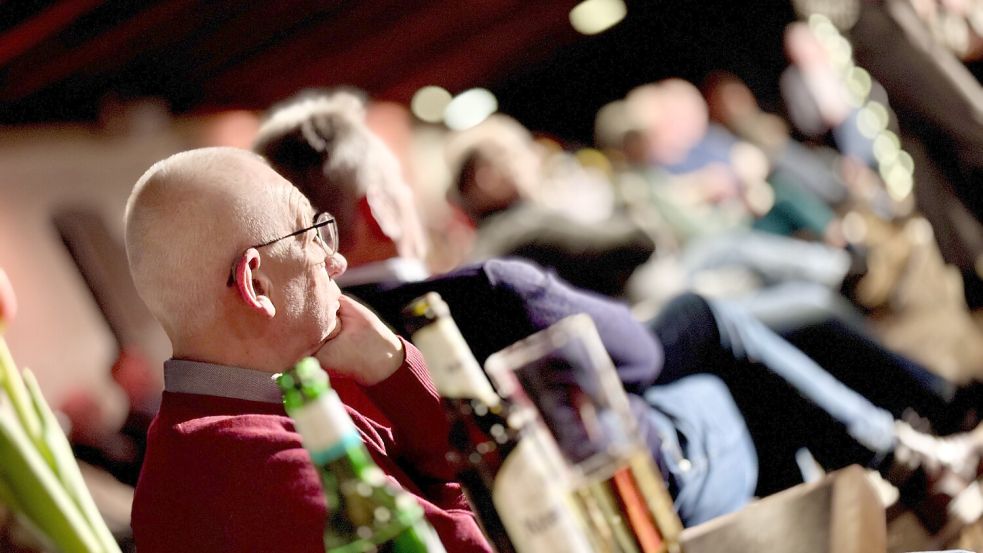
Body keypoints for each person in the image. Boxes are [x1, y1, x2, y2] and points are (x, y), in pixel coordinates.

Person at [254, 89, 983, 533]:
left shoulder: (296, 375)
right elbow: (636, 351)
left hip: (530, 515)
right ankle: (909, 461)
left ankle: (908, 459)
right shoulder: (482, 288)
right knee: (714, 339)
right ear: (381, 207)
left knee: (736, 326)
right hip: (632, 492)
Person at [124, 147, 492, 552]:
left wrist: (394, 368)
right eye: (310, 235)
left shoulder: (243, 417)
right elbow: (503, 528)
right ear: (257, 285)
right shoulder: (261, 466)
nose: (335, 261)